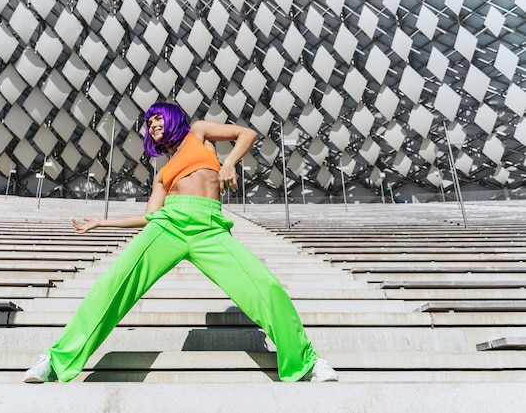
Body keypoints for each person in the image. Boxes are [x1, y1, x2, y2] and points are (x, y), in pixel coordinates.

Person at [23, 102, 338, 383]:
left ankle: (305, 361)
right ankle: (55, 359)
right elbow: (150, 216)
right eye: (149, 123)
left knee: (266, 286)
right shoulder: (162, 173)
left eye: (157, 119)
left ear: (172, 118)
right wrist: (104, 222)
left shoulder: (199, 133)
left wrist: (228, 164)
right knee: (113, 283)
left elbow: (246, 134)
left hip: (210, 227)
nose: (153, 126)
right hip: (169, 225)